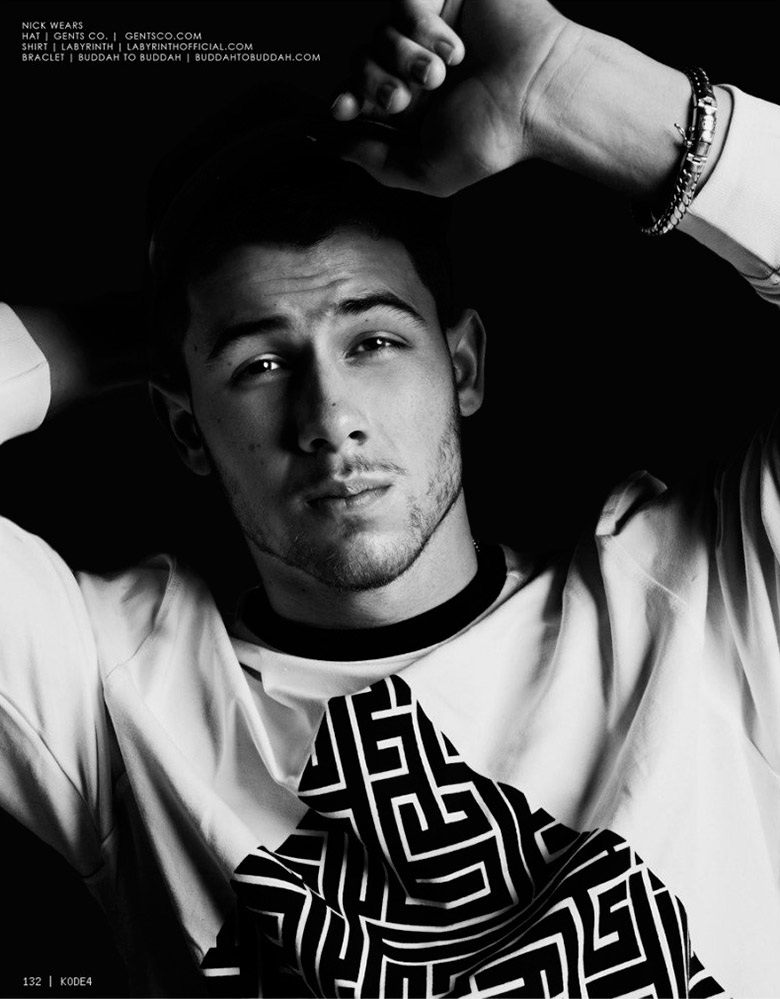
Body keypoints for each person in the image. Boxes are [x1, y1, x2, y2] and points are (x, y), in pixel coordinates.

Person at [1, 0, 778, 996]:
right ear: (187, 427)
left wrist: (562, 81)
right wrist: (147, 327)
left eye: (371, 341)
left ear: (464, 366)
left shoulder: (702, 604)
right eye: (260, 365)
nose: (329, 418)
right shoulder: (111, 694)